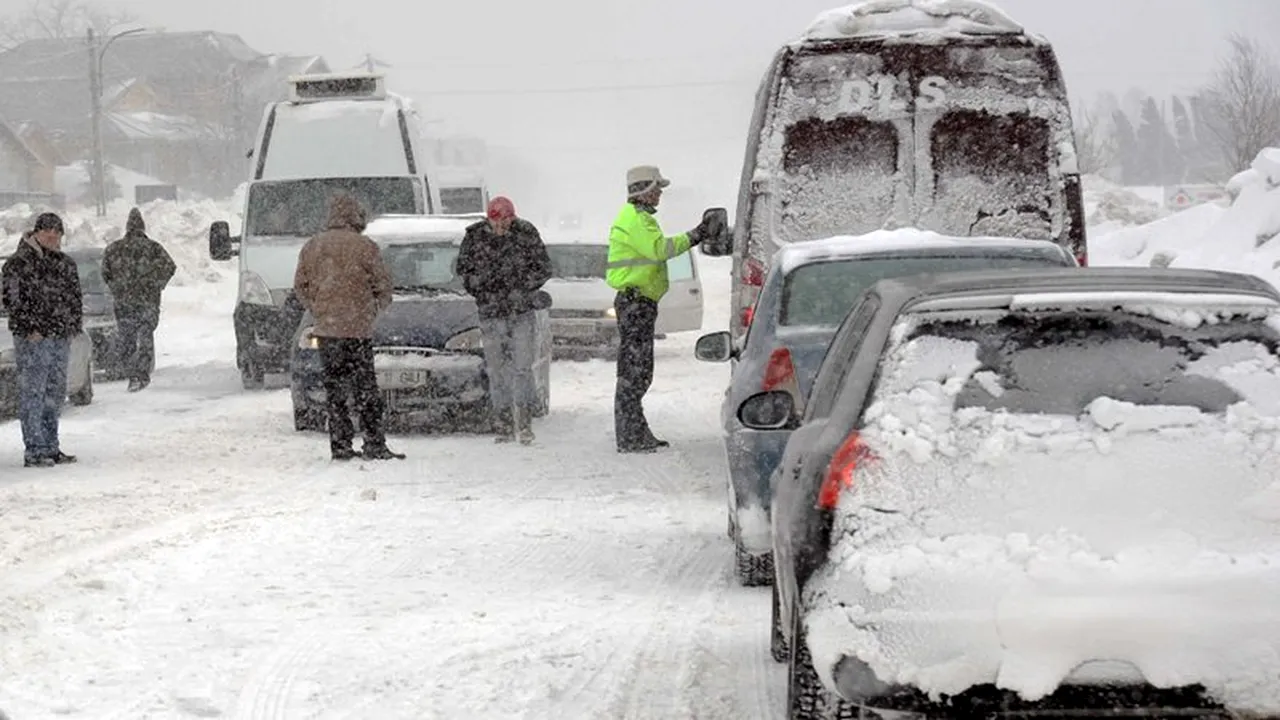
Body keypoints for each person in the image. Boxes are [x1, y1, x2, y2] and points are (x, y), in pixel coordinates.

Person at [606, 166, 721, 453]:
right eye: (656, 188)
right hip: (635, 302)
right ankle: (630, 435)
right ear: (643, 190)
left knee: (638, 369)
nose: (659, 194)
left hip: (638, 302)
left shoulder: (639, 218)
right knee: (635, 370)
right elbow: (660, 250)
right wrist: (696, 235)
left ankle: (635, 430)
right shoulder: (636, 220)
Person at [293, 193, 403, 461]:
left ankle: (340, 445)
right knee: (366, 389)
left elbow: (300, 286)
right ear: (356, 216)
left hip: (327, 331)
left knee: (335, 391)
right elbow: (383, 285)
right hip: (358, 331)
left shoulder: (312, 246)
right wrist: (371, 309)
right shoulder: (365, 247)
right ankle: (374, 442)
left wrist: (318, 309)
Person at [456, 196, 552, 445]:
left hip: (520, 312)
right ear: (489, 219)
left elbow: (543, 267)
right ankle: (503, 422)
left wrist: (524, 288)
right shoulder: (475, 237)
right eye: (498, 221)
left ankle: (524, 420)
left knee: (522, 368)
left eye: (508, 220)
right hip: (490, 312)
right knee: (496, 371)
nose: (503, 227)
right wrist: (480, 287)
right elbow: (464, 271)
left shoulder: (526, 233)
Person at [1, 212, 82, 468]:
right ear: (36, 233)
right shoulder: (18, 263)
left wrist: (73, 325)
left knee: (55, 393)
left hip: (60, 335)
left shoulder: (65, 263)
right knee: (33, 392)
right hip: (34, 338)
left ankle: (50, 445)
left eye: (57, 233)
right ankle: (34, 449)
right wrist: (28, 327)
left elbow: (74, 297)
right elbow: (11, 300)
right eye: (48, 232)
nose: (53, 237)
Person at [101, 207, 177, 391]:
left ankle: (132, 373)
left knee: (127, 338)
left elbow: (105, 272)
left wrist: (117, 287)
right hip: (147, 301)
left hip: (124, 302)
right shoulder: (153, 248)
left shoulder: (114, 249)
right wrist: (157, 284)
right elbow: (170, 266)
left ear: (127, 228)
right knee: (145, 336)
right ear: (143, 228)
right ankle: (141, 373)